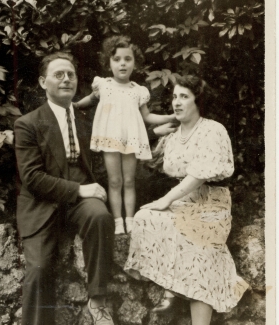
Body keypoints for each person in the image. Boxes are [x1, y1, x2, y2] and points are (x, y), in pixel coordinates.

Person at [124, 75, 249, 325]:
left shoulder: (213, 129)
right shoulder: (172, 135)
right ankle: (174, 286)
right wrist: (151, 133)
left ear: (197, 100)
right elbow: (144, 156)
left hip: (211, 204)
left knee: (199, 248)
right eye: (174, 97)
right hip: (182, 203)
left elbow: (198, 176)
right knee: (144, 217)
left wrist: (166, 200)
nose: (177, 102)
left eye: (184, 97)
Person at [14, 52, 115, 325]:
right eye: (59, 74)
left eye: (71, 74)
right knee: (37, 270)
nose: (67, 79)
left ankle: (98, 300)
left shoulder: (84, 118)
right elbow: (32, 178)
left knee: (100, 217)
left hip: (81, 202)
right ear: (42, 82)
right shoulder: (28, 124)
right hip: (41, 204)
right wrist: (82, 190)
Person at [74, 35, 176, 235]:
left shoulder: (138, 91)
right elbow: (89, 99)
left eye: (127, 59)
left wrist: (170, 116)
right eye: (117, 59)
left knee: (129, 180)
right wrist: (76, 105)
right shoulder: (103, 85)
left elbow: (147, 116)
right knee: (114, 181)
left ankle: (130, 219)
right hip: (110, 138)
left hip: (130, 140)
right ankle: (118, 220)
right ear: (108, 62)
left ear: (135, 63)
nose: (122, 64)